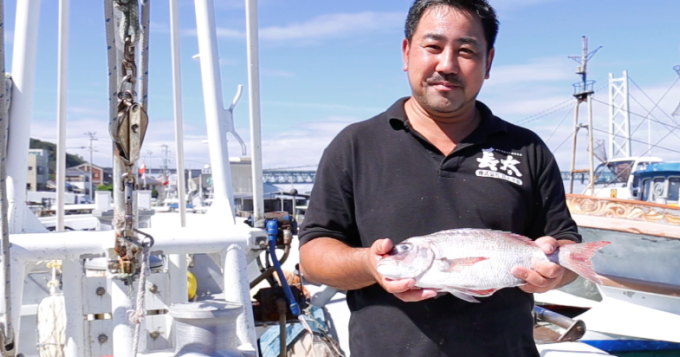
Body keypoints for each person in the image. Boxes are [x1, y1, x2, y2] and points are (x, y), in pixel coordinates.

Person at [298, 0, 581, 356]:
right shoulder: (355, 145)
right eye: (432, 47)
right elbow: (313, 254)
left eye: (466, 50)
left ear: (488, 62)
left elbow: (565, 244)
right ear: (406, 52)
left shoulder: (526, 148)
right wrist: (370, 264)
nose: (446, 65)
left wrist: (558, 271)